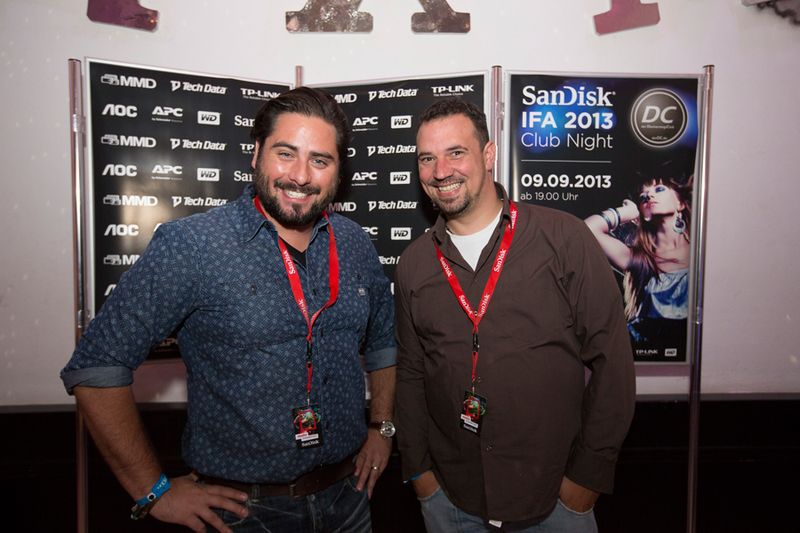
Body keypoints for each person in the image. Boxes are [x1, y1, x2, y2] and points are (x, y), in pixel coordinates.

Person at [61, 87, 397, 533]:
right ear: (256, 153)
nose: (300, 176)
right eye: (285, 153)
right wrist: (152, 491)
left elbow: (383, 342)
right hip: (243, 514)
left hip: (348, 498)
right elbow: (96, 366)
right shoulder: (193, 245)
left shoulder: (353, 242)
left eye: (320, 160)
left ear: (338, 171)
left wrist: (382, 427)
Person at [394, 98, 635, 532]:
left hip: (555, 502)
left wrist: (587, 479)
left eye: (455, 152)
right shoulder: (414, 262)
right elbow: (411, 373)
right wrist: (420, 475)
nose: (440, 170)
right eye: (426, 158)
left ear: (488, 155)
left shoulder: (564, 238)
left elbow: (613, 362)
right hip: (452, 500)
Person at [584, 176, 692, 347]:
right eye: (643, 197)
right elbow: (589, 229)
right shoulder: (636, 257)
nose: (649, 196)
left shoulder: (700, 252)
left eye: (659, 189)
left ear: (680, 204)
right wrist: (628, 212)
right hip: (643, 347)